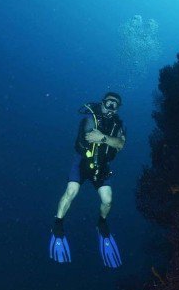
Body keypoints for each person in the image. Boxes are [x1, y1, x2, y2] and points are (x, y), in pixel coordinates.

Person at [49, 92, 126, 268]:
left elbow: (121, 144)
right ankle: (58, 223)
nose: (111, 107)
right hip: (83, 163)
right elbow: (90, 136)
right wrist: (108, 140)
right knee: (71, 191)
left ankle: (101, 223)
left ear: (118, 108)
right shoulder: (90, 118)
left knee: (108, 200)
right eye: (109, 103)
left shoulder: (118, 125)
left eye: (115, 105)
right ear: (102, 103)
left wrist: (104, 138)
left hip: (102, 167)